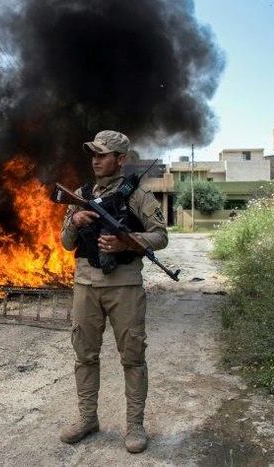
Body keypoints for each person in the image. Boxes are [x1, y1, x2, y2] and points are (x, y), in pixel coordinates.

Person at [59, 130, 168, 453]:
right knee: (85, 355)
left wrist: (126, 242)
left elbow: (160, 236)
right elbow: (66, 244)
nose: (95, 159)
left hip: (124, 286)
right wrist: (75, 220)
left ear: (120, 159)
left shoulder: (138, 196)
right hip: (85, 284)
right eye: (93, 153)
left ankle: (134, 426)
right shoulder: (80, 194)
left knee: (132, 357)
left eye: (102, 154)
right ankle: (87, 419)